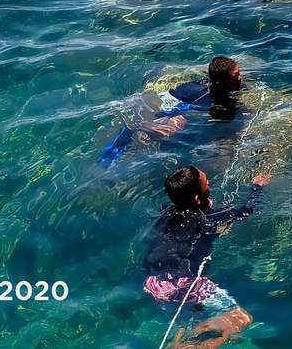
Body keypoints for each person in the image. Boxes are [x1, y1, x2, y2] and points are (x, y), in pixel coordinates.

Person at [143, 165, 270, 349]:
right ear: (196, 198)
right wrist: (257, 188)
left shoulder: (166, 211)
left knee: (187, 320)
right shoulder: (211, 218)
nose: (209, 181)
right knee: (242, 318)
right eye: (206, 182)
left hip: (154, 282)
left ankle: (178, 343)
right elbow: (249, 210)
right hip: (185, 284)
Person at [99, 57, 245, 166]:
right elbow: (171, 107)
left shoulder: (218, 87)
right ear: (220, 83)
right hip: (171, 106)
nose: (241, 78)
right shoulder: (201, 96)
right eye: (236, 76)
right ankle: (131, 130)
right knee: (171, 129)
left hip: (178, 102)